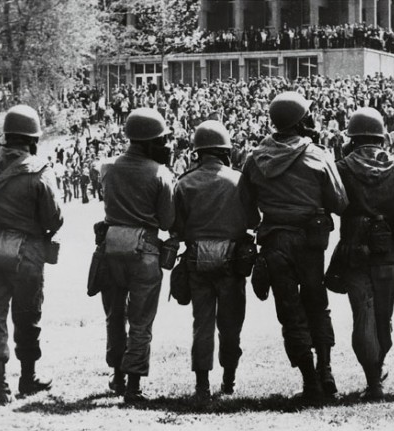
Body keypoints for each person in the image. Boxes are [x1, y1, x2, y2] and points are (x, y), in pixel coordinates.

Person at [242, 92, 348, 402]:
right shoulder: (318, 155)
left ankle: (309, 380)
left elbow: (247, 211)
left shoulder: (254, 158)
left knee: (289, 311)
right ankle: (326, 372)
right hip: (311, 241)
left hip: (275, 240)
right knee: (317, 303)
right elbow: (340, 203)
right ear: (301, 121)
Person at [328, 107, 394, 401]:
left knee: (363, 315)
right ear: (381, 136)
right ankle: (377, 373)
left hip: (354, 250)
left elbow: (336, 206)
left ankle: (373, 380)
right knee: (383, 318)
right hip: (386, 254)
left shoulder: (341, 168)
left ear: (353, 137)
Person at [0, 105, 63, 403]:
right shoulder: (40, 169)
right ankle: (28, 378)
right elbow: (54, 218)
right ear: (32, 139)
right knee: (28, 316)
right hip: (27, 251)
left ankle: (0, 387)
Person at [172, 121, 260, 401]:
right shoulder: (238, 180)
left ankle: (201, 385)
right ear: (225, 151)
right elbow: (253, 221)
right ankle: (229, 380)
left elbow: (178, 227)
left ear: (197, 152)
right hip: (232, 260)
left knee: (202, 323)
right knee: (231, 324)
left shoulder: (184, 182)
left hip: (197, 259)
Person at [99, 108, 174, 402]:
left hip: (110, 246)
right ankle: (133, 386)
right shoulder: (160, 173)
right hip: (145, 248)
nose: (166, 144)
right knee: (141, 320)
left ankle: (117, 377)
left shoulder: (107, 167)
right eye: (162, 139)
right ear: (147, 141)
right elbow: (168, 222)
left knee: (114, 316)